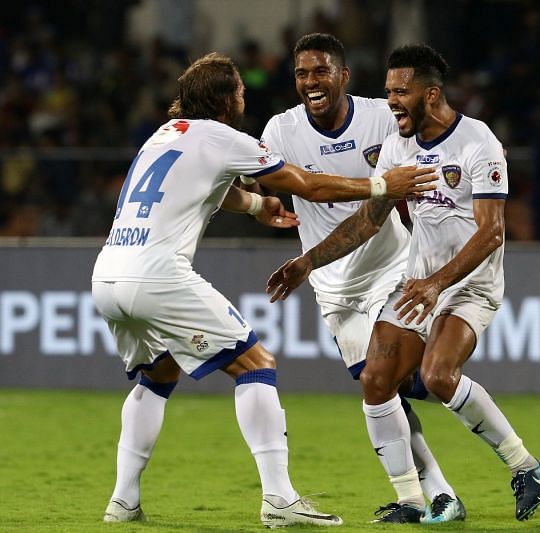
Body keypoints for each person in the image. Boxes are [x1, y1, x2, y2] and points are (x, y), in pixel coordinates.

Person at [91, 52, 435, 529]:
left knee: (160, 372)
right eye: (239, 90)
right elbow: (309, 186)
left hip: (108, 272)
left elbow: (209, 187)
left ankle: (122, 501)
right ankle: (279, 498)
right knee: (256, 364)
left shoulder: (164, 136)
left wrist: (255, 205)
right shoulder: (225, 137)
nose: (243, 96)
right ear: (225, 100)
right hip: (157, 275)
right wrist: (381, 185)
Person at [267, 44, 540, 523]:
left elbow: (491, 233)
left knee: (439, 377)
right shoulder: (399, 148)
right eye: (388, 92)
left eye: (401, 92)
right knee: (377, 381)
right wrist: (306, 263)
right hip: (420, 283)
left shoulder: (478, 143)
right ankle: (412, 501)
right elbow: (367, 221)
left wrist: (438, 283)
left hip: (469, 284)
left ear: (431, 93)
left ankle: (526, 466)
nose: (392, 101)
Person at [259, 33, 465, 524]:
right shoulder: (280, 131)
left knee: (395, 381)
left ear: (343, 76)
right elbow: (270, 182)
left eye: (321, 71)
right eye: (303, 74)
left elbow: (432, 156)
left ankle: (432, 492)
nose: (311, 82)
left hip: (391, 267)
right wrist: (258, 205)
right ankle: (437, 494)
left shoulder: (379, 116)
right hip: (333, 287)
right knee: (383, 387)